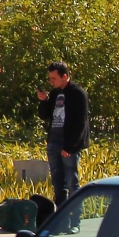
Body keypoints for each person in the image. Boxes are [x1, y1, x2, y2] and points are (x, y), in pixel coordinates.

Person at [35, 61, 89, 206]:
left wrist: (70, 146)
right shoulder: (55, 93)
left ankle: (74, 221)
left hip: (69, 144)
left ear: (64, 76)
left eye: (54, 78)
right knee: (58, 184)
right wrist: (44, 101)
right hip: (54, 141)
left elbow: (80, 123)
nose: (51, 81)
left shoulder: (78, 93)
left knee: (72, 183)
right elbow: (45, 115)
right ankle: (60, 220)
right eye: (50, 78)